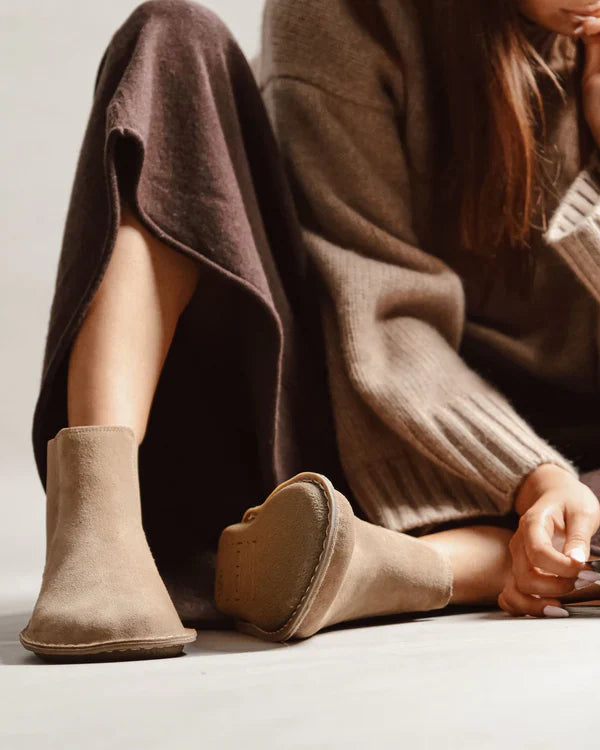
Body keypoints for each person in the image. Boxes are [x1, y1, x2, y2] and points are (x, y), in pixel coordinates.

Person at [18, 0, 600, 661]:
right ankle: (98, 527)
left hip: (568, 463)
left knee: (579, 510)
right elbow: (378, 303)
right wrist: (533, 478)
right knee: (171, 38)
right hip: (352, 424)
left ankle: (381, 565)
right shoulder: (346, 15)